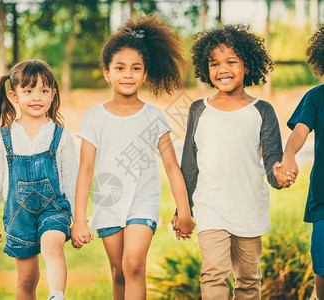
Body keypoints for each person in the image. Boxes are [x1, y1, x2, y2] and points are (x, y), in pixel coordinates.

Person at [71, 15, 196, 300]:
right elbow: (85, 170)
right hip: (108, 201)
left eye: (135, 68)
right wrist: (80, 219)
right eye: (120, 68)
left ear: (145, 74)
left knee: (134, 265)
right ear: (107, 73)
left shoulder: (154, 117)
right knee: (118, 271)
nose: (127, 74)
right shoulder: (94, 118)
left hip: (143, 199)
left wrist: (184, 211)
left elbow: (172, 168)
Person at [178, 24, 295, 299]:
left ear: (247, 65)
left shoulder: (262, 110)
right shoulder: (198, 110)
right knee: (214, 274)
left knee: (248, 279)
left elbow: (272, 160)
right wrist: (183, 209)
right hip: (210, 207)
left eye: (231, 61)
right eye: (214, 63)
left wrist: (278, 176)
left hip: (248, 206)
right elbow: (189, 164)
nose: (223, 69)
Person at [0, 59, 78, 300]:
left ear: (53, 94)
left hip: (53, 209)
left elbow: (72, 181)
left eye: (44, 90)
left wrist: (79, 221)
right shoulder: (2, 137)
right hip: (18, 215)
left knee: (52, 245)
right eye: (29, 91)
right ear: (14, 96)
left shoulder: (61, 136)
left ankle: (56, 295)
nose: (37, 97)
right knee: (27, 279)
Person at [276, 24, 324, 300]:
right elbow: (300, 130)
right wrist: (289, 155)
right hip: (323, 200)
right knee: (322, 265)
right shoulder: (316, 97)